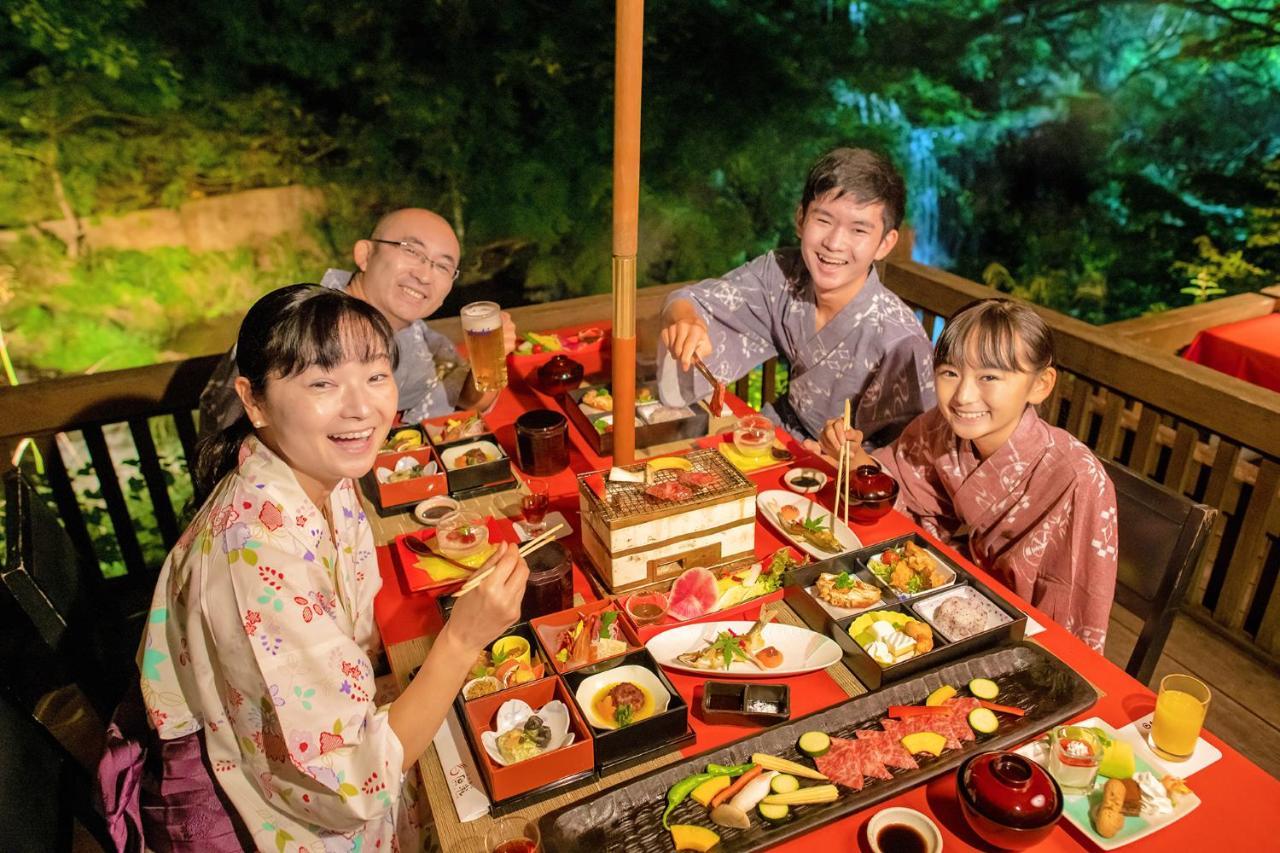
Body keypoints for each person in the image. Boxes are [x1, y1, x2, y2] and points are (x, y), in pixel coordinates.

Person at [100, 285, 528, 852]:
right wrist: (464, 638)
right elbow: (352, 790)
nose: (360, 408)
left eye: (375, 376)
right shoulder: (253, 555)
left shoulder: (322, 474)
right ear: (253, 401)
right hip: (276, 813)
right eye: (321, 383)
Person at [818, 298, 1117, 652]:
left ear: (1040, 384)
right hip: (950, 602)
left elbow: (1071, 614)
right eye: (950, 373)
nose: (963, 395)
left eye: (989, 376)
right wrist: (854, 458)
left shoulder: (1076, 480)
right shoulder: (940, 429)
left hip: (1017, 637)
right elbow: (897, 490)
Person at [658, 147, 935, 446]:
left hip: (848, 477)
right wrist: (686, 320)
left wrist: (849, 459)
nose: (834, 243)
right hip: (780, 440)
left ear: (884, 244)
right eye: (824, 220)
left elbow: (916, 454)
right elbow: (691, 300)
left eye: (858, 230)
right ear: (801, 219)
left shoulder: (901, 340)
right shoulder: (783, 273)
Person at [197, 208, 516, 452]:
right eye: (411, 250)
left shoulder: (417, 337)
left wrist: (490, 359)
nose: (425, 274)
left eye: (443, 266)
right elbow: (233, 446)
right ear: (365, 254)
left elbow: (466, 400)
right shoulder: (297, 326)